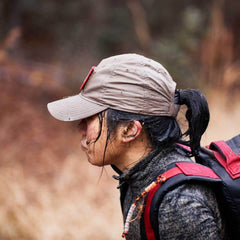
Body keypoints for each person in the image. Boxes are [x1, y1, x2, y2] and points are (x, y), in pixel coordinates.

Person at [47, 54, 225, 239]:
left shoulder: (178, 205)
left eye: (90, 117)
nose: (80, 128)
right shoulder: (139, 178)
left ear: (130, 130)